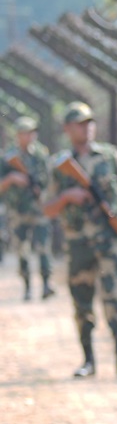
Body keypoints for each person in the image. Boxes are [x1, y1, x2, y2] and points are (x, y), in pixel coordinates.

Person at [43, 102, 117, 378]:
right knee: (82, 300)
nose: (86, 128)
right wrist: (68, 197)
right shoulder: (59, 166)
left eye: (90, 122)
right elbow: (47, 208)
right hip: (78, 243)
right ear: (67, 129)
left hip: (109, 240)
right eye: (80, 123)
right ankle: (88, 360)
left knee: (115, 295)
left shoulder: (111, 157)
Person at [0, 116, 54, 300]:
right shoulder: (7, 157)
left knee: (43, 247)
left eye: (31, 133)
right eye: (24, 133)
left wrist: (41, 189)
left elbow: (48, 180)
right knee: (22, 249)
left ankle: (47, 284)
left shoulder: (41, 154)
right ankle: (27, 287)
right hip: (17, 211)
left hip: (38, 209)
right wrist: (12, 179)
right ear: (17, 135)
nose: (28, 137)